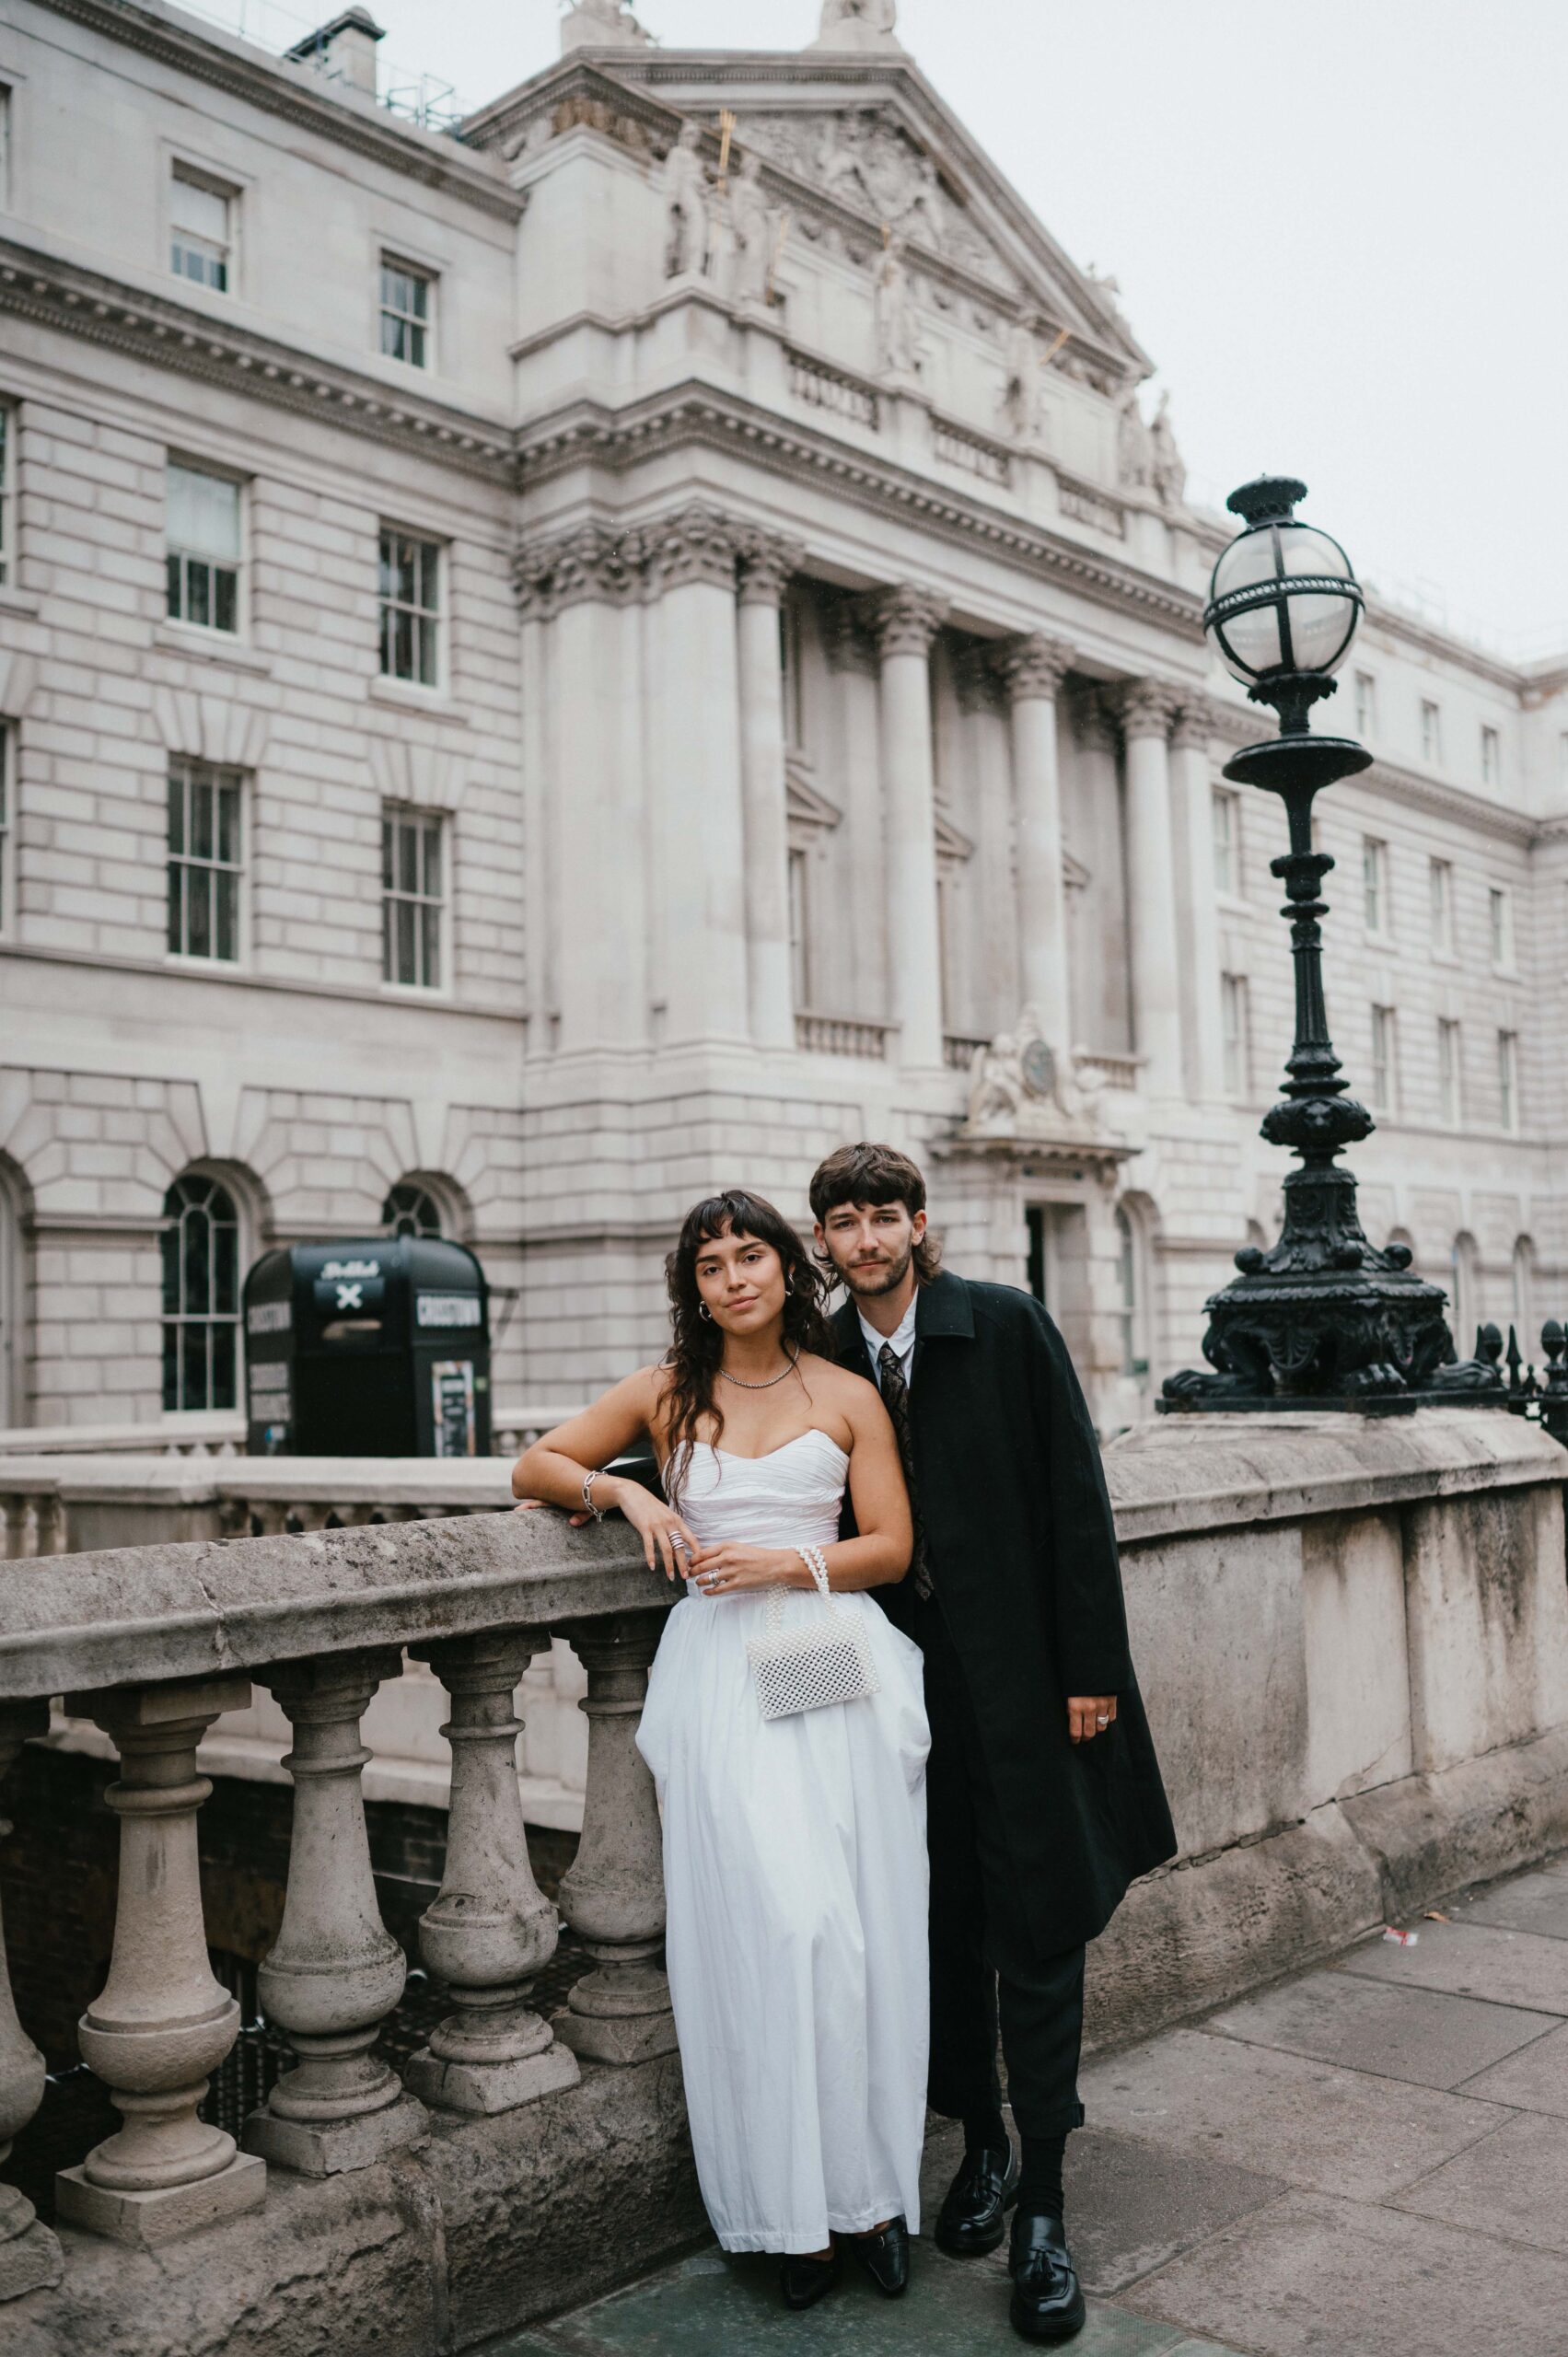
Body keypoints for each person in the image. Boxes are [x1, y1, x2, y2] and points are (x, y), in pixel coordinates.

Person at [512, 1190, 929, 2312]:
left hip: (825, 1654)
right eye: (710, 1264)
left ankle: (871, 2196)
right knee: (765, 1927)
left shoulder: (843, 1395)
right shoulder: (664, 1393)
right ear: (692, 1286)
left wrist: (794, 1566)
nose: (733, 1277)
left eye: (751, 1256)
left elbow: (889, 1546)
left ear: (791, 1270)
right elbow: (534, 1465)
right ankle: (783, 2212)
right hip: (717, 1678)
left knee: (849, 1931)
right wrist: (624, 1499)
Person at [809, 1142, 1177, 2347]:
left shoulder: (1004, 1325)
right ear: (823, 1241)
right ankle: (974, 2152)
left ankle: (1044, 2209)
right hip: (890, 1694)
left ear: (916, 1225)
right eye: (841, 1225)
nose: (862, 1242)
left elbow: (1077, 1498)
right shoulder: (820, 1356)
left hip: (1020, 1687)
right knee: (938, 1926)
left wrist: (1089, 1674)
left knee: (1035, 1929)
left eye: (880, 1219)